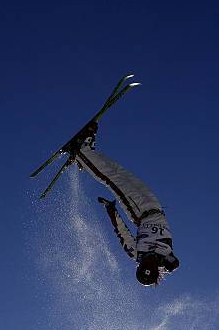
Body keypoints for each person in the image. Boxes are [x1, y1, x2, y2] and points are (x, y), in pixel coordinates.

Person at [70, 122, 180, 286]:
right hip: (155, 205)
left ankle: (81, 153)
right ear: (156, 270)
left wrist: (111, 210)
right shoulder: (165, 257)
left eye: (145, 264)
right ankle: (88, 155)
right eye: (150, 265)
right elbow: (175, 263)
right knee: (120, 172)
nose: (148, 261)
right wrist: (170, 264)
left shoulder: (137, 253)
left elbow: (122, 233)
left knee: (112, 179)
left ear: (140, 265)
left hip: (139, 211)